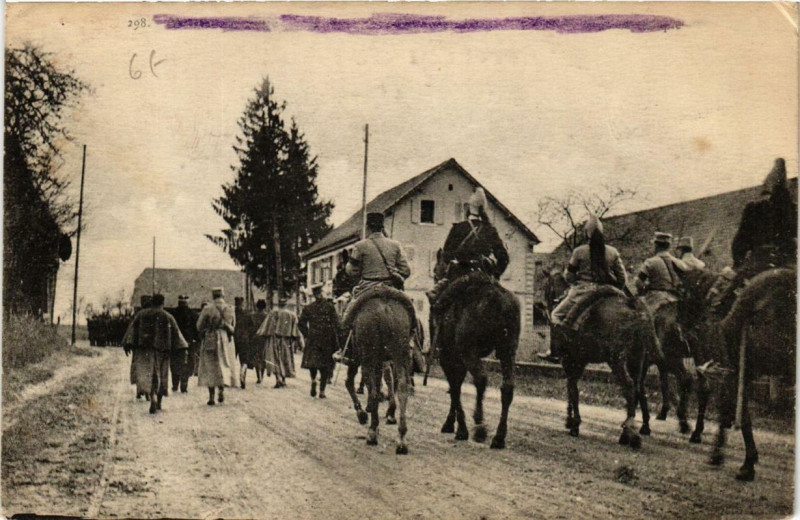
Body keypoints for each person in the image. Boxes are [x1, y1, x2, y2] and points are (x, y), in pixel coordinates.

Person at [542, 215, 627, 362]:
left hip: (582, 291)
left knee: (555, 315)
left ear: (587, 233)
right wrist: (614, 290)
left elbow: (568, 276)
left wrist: (574, 282)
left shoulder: (579, 251)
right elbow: (622, 279)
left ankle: (555, 352)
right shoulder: (613, 252)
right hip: (608, 291)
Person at [427, 187, 509, 307]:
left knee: (439, 303)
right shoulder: (490, 230)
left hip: (460, 275)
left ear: (468, 210)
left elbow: (446, 255)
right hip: (484, 277)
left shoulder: (458, 228)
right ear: (483, 210)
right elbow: (504, 258)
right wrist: (495, 275)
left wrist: (459, 257)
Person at [123, 293, 188, 414]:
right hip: (163, 350)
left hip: (145, 349)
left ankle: (151, 394)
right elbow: (177, 334)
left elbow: (132, 330)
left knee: (149, 373)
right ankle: (158, 401)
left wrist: (127, 343)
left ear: (152, 302)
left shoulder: (141, 314)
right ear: (163, 303)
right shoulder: (167, 316)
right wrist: (182, 348)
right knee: (162, 375)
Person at [196, 287, 240, 405]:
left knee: (211, 366)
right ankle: (221, 389)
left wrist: (206, 330)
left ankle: (211, 397)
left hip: (211, 337)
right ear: (223, 296)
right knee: (224, 364)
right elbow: (233, 328)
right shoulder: (230, 309)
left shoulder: (207, 308)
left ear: (213, 296)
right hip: (225, 339)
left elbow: (199, 326)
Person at [298, 286, 340, 399]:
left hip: (313, 339)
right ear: (321, 294)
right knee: (325, 365)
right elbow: (337, 324)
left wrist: (307, 335)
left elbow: (301, 323)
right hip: (327, 340)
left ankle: (313, 380)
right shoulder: (330, 308)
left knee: (313, 363)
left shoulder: (308, 308)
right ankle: (322, 391)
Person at [257, 297, 300, 388]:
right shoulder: (292, 315)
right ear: (286, 304)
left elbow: (265, 328)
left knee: (275, 359)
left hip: (274, 339)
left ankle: (278, 379)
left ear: (279, 304)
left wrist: (264, 336)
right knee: (285, 359)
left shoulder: (273, 313)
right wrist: (296, 340)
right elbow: (296, 331)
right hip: (286, 340)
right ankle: (283, 379)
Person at [635, 232, 688, 301]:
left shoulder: (650, 262)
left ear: (656, 246)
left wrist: (643, 292)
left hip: (657, 299)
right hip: (676, 299)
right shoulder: (679, 262)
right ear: (668, 246)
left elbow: (639, 282)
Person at [123, 294, 152, 401]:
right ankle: (146, 390)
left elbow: (131, 330)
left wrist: (127, 343)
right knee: (148, 367)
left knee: (139, 367)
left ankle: (140, 390)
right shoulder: (153, 314)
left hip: (139, 346)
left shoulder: (138, 315)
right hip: (149, 346)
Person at [169, 295, 199, 393]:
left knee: (175, 363)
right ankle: (184, 384)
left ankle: (175, 384)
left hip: (175, 343)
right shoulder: (193, 314)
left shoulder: (173, 313)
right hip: (189, 343)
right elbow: (196, 329)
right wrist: (196, 340)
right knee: (187, 363)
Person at [234, 296, 256, 389]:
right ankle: (242, 374)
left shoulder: (232, 312)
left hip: (233, 338)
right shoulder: (247, 314)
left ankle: (231, 378)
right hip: (244, 339)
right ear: (242, 303)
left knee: (231, 359)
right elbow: (252, 328)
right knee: (244, 360)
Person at [250, 299, 269, 384]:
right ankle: (262, 375)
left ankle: (259, 376)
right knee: (263, 357)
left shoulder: (253, 315)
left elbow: (250, 327)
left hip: (255, 337)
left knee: (256, 357)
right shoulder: (267, 316)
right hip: (264, 338)